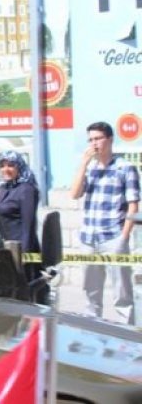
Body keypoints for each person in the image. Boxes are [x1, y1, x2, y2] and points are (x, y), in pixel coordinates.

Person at [70, 121, 140, 324]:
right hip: (89, 238)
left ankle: (127, 337)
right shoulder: (89, 167)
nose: (94, 144)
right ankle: (92, 330)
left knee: (122, 293)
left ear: (109, 139)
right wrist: (83, 164)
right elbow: (74, 194)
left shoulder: (125, 168)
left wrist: (123, 238)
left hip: (113, 237)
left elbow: (133, 206)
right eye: (90, 139)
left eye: (98, 138)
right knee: (91, 292)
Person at [0, 150, 45, 302]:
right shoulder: (4, 188)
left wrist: (25, 257)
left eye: (10, 165)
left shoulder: (27, 190)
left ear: (19, 167)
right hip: (6, 249)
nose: (5, 169)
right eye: (2, 165)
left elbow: (29, 226)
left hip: (22, 250)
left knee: (26, 297)